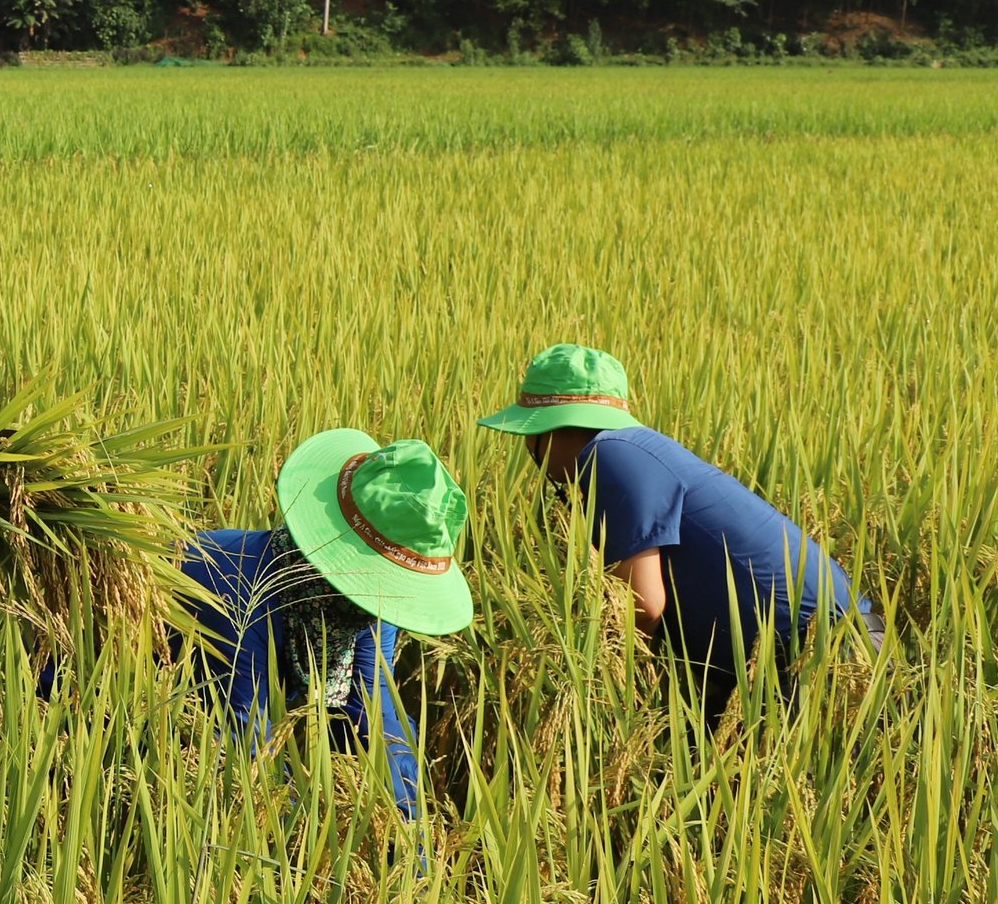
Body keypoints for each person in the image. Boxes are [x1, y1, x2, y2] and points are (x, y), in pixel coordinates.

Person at [479, 343, 880, 725]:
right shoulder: (635, 450)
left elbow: (643, 608)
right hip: (792, 658)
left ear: (549, 432)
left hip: (828, 659)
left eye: (528, 436)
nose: (529, 449)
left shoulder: (612, 456)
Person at [179, 430, 475, 820]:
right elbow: (244, 752)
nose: (378, 605)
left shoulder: (367, 606)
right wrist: (314, 846)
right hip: (176, 685)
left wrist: (410, 830)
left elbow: (375, 708)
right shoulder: (239, 593)